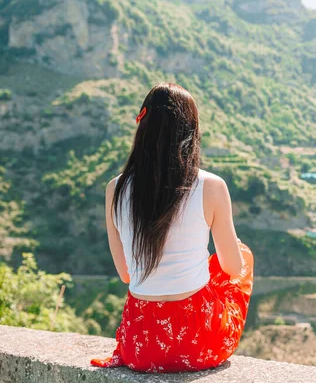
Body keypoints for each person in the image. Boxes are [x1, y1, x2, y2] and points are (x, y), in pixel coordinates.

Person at [90, 83, 253, 373]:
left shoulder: (114, 188)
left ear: (143, 125)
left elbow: (126, 273)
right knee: (242, 255)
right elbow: (232, 269)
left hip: (139, 344)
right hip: (199, 343)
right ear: (191, 132)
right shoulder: (211, 186)